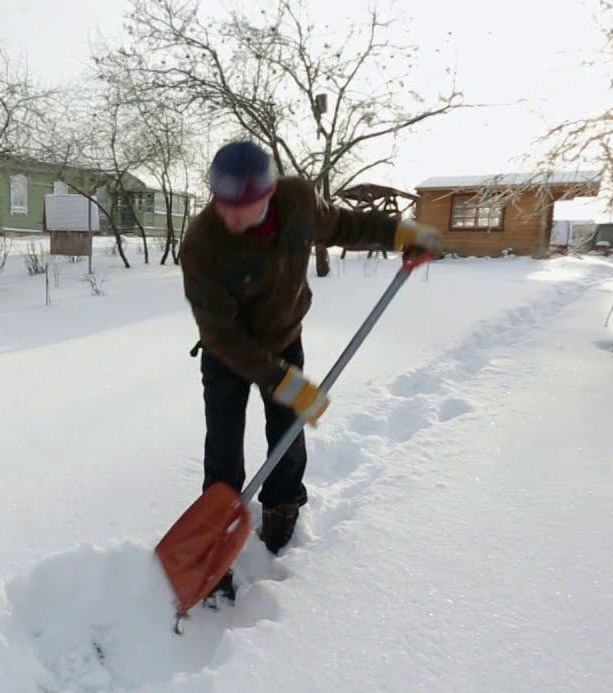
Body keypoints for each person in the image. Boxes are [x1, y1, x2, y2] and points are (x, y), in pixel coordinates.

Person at [179, 140, 442, 603]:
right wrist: (283, 382)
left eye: (241, 207)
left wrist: (402, 233)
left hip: (284, 338)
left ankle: (282, 509)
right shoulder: (202, 244)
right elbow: (220, 333)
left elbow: (342, 224)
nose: (229, 217)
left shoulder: (296, 200)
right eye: (222, 204)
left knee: (287, 430)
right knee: (223, 445)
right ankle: (213, 542)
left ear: (268, 195)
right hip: (228, 354)